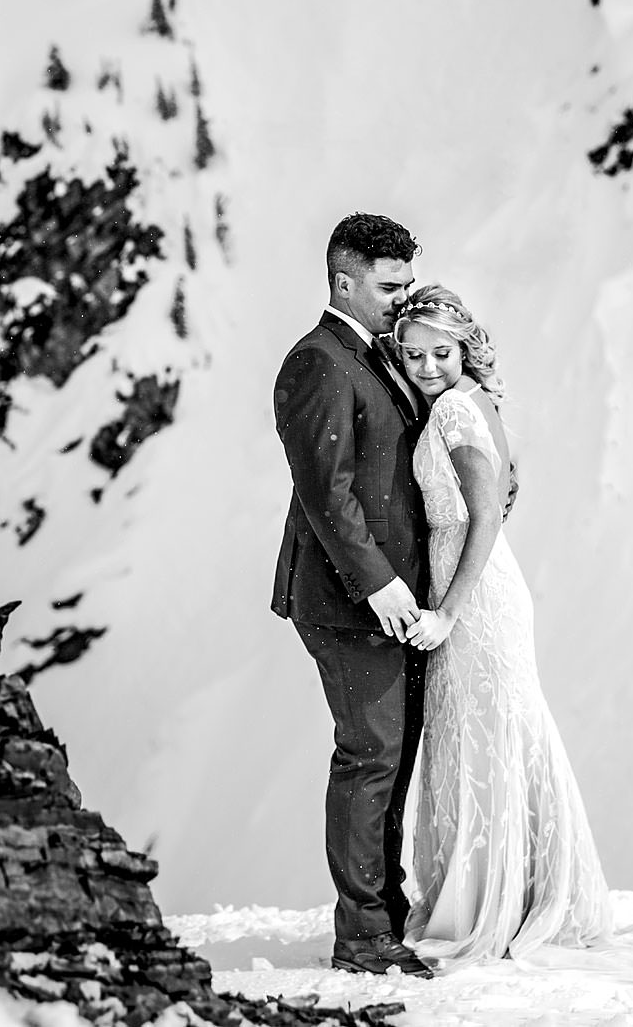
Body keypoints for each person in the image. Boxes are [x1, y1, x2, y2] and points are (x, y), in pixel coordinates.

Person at [386, 284, 612, 966]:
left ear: (464, 348)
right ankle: (512, 892)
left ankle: (497, 902)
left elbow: (486, 512)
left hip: (476, 598)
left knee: (487, 737)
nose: (427, 366)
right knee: (493, 736)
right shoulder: (468, 400)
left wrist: (448, 609)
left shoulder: (454, 408)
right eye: (414, 353)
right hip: (481, 581)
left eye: (441, 352)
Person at [270, 212, 434, 977]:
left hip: (391, 598)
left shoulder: (369, 352)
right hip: (347, 600)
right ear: (345, 280)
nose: (403, 298)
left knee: (391, 759)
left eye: (407, 282)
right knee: (368, 756)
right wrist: (381, 586)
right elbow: (327, 493)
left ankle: (386, 916)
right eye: (389, 284)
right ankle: (363, 936)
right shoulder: (318, 361)